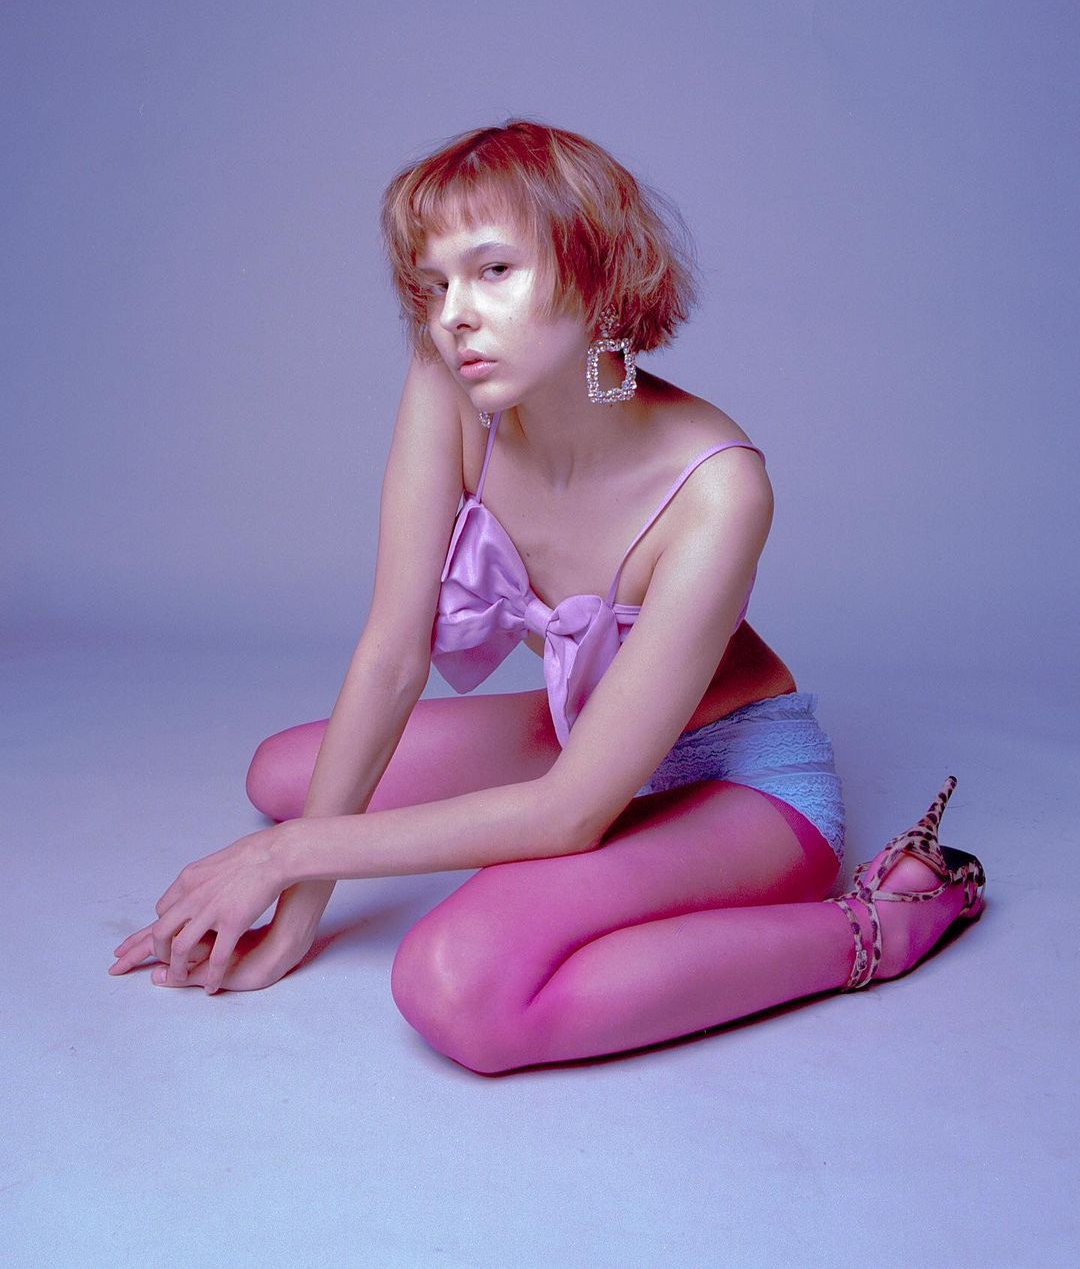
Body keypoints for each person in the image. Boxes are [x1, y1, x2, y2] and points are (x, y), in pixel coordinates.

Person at [108, 120, 986, 1075]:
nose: (455, 315)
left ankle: (877, 930)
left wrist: (283, 860)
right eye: (435, 284)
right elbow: (393, 657)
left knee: (457, 985)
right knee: (282, 776)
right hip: (592, 734)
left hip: (741, 779)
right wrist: (295, 921)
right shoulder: (451, 386)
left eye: (493, 271)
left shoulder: (720, 488)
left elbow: (570, 814)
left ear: (599, 272)